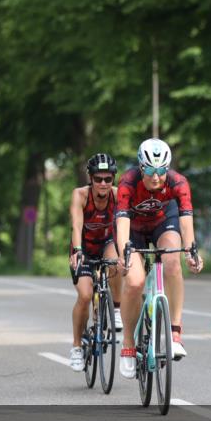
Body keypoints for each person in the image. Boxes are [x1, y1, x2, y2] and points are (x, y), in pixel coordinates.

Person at [116, 138, 203, 377]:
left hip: (163, 222)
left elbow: (186, 222)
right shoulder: (127, 182)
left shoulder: (178, 182)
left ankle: (175, 334)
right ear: (141, 167)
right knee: (134, 281)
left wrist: (191, 251)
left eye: (161, 170)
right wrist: (124, 250)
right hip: (134, 227)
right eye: (150, 170)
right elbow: (122, 222)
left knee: (173, 263)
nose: (156, 177)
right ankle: (128, 344)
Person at [68, 153, 122, 371]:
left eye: (108, 179)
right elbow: (76, 225)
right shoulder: (80, 195)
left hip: (106, 243)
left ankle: (116, 309)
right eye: (98, 178)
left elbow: (125, 224)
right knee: (85, 295)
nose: (103, 183)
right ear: (90, 178)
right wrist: (78, 251)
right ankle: (76, 346)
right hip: (83, 247)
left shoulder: (118, 196)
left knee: (115, 261)